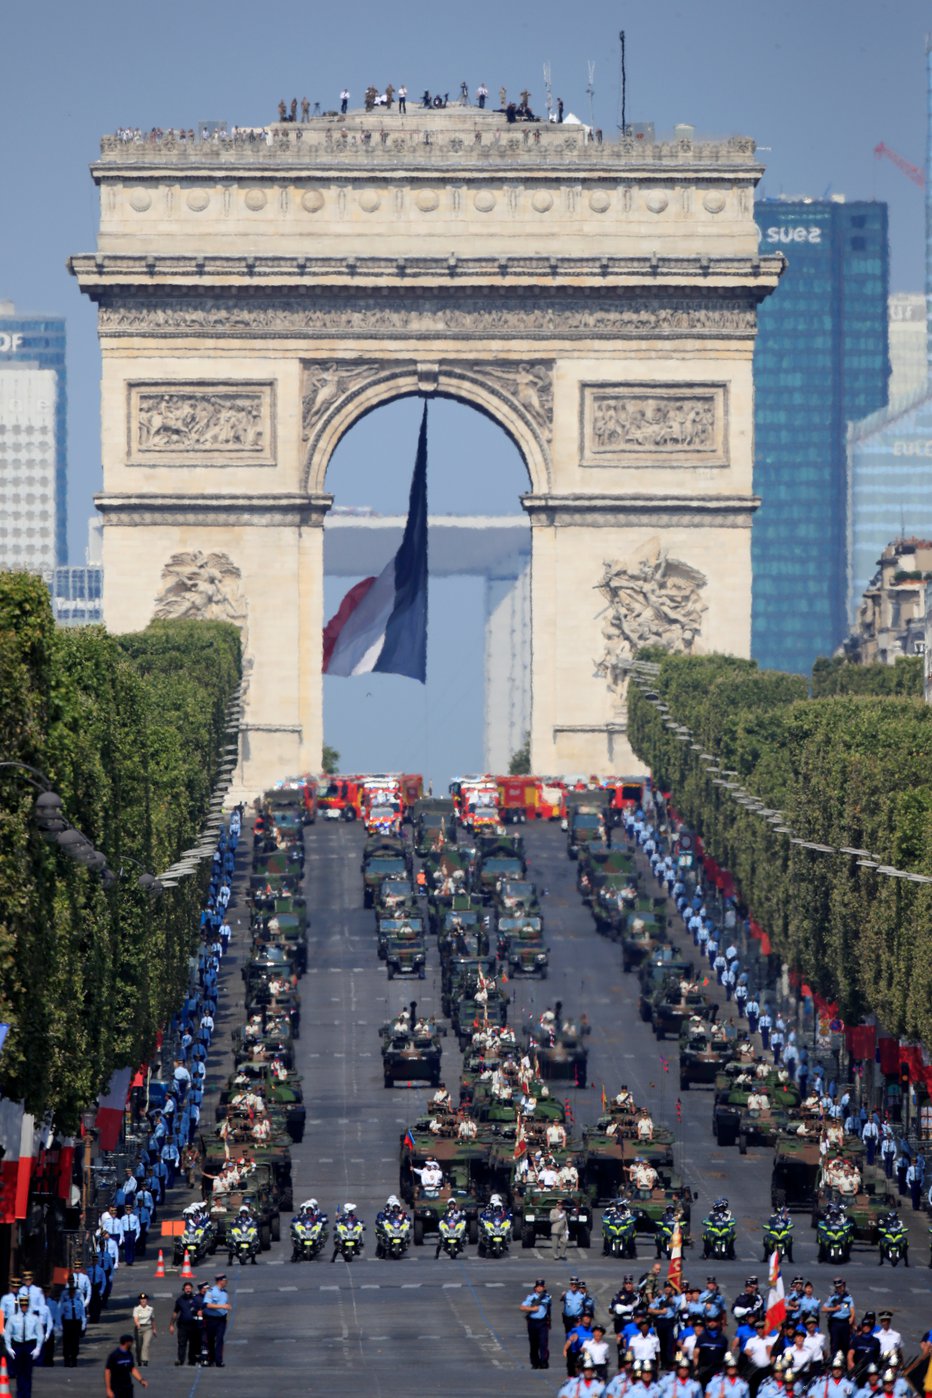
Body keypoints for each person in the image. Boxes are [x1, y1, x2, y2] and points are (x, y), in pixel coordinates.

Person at [5, 1294, 43, 1398]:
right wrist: (8, 1347)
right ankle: (20, 1395)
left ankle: (27, 1395)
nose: (24, 1307)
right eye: (22, 1305)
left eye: (26, 1305)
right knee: (19, 1373)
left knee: (28, 1373)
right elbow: (8, 1333)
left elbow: (40, 1334)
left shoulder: (34, 1318)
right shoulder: (13, 1318)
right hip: (18, 1346)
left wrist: (38, 1348)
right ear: (20, 1305)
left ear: (28, 1305)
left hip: (29, 1345)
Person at [521, 1278, 552, 1369]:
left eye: (541, 1286)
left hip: (542, 1323)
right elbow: (522, 1307)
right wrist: (532, 1309)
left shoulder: (547, 1298)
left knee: (543, 1343)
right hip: (533, 1323)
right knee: (534, 1344)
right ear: (535, 1288)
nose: (539, 1288)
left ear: (544, 1287)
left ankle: (544, 1361)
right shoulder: (531, 1297)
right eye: (538, 1287)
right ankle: (535, 1362)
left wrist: (549, 1321)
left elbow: (549, 1310)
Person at [203, 1273, 230, 1368]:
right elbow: (207, 1305)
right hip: (211, 1319)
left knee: (220, 1339)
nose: (226, 1282)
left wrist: (225, 1311)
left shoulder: (225, 1292)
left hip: (221, 1320)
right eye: (224, 1281)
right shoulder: (211, 1291)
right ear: (219, 1281)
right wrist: (222, 1306)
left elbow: (225, 1304)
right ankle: (211, 1359)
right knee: (210, 1340)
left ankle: (219, 1360)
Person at [823, 1281, 855, 1358]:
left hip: (845, 1322)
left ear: (843, 1287)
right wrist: (834, 1308)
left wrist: (852, 1318)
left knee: (845, 1343)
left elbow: (852, 1310)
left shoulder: (848, 1298)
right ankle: (833, 1361)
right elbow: (824, 1309)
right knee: (834, 1344)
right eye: (837, 1287)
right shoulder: (832, 1298)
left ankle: (844, 1363)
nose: (839, 1289)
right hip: (835, 1322)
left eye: (840, 1287)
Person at [59, 1281, 86, 1367]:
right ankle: (67, 1360)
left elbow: (83, 1314)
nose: (71, 1293)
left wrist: (83, 1325)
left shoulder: (78, 1303)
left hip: (76, 1323)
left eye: (73, 1292)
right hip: (68, 1323)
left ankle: (74, 1359)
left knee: (75, 1343)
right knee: (67, 1342)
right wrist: (60, 1325)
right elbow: (60, 1314)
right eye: (70, 1291)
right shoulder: (65, 1303)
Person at [132, 1293, 156, 1367]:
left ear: (147, 1300)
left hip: (148, 1328)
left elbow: (152, 1319)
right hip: (139, 1328)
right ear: (140, 1300)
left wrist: (154, 1329)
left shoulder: (150, 1309)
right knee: (139, 1346)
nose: (143, 1301)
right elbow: (135, 1318)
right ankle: (139, 1360)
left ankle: (145, 1360)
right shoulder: (136, 1309)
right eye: (142, 1299)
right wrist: (137, 1324)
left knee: (146, 1344)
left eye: (145, 1299)